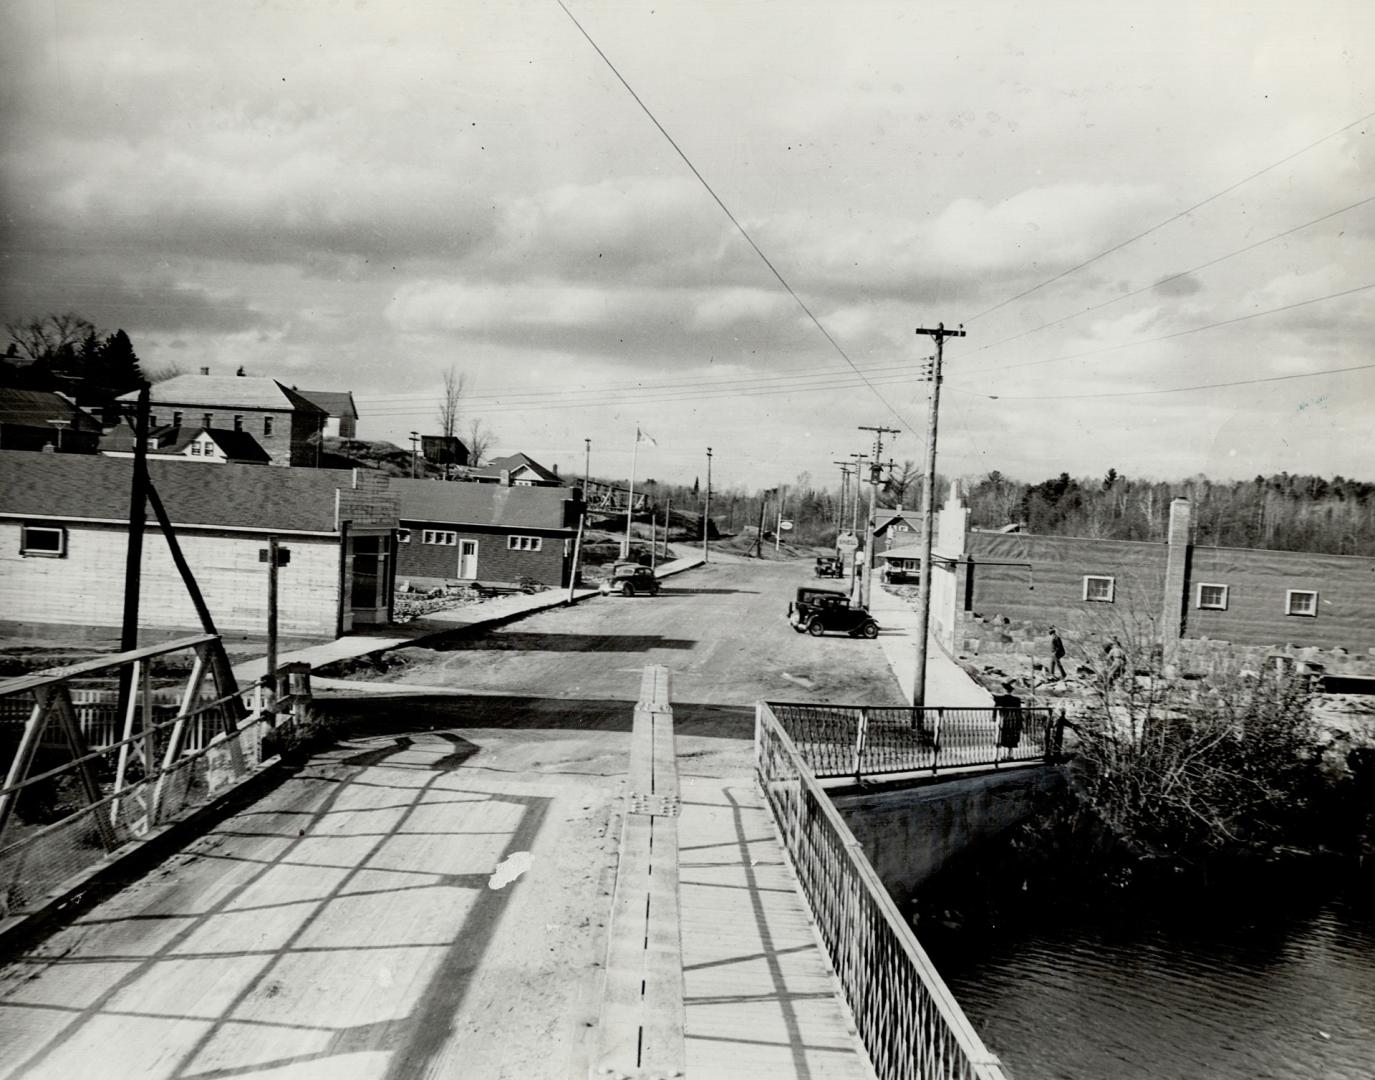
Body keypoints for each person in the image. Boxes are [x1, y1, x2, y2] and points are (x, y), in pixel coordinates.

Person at [993, 681, 1023, 755]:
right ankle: (1010, 754)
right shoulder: (1017, 700)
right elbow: (1019, 711)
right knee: (1012, 737)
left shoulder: (1000, 699)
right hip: (1014, 720)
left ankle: (1003, 754)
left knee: (1004, 736)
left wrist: (994, 717)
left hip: (1005, 720)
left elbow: (995, 707)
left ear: (1004, 690)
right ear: (1011, 691)